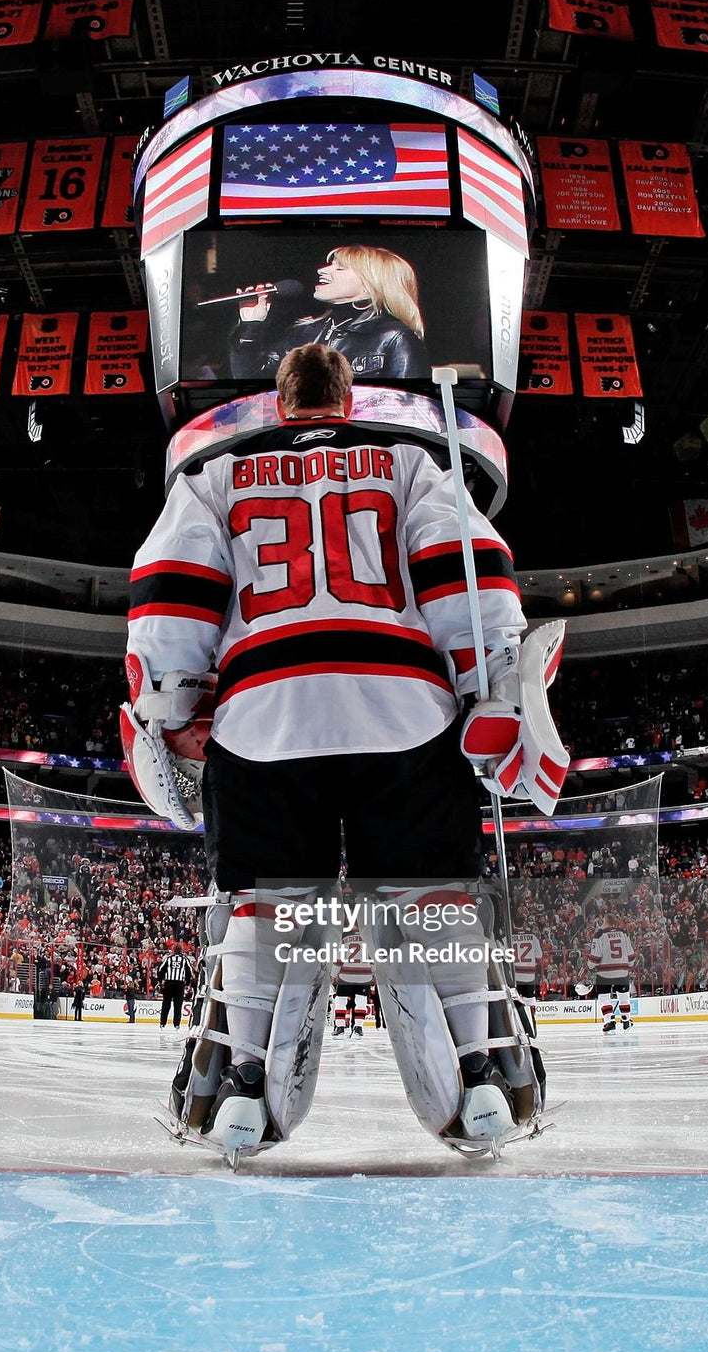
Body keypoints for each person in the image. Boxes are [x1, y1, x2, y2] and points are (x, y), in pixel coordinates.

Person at [123, 343, 545, 1165]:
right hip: (404, 707)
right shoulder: (408, 462)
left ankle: (243, 1082)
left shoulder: (217, 476)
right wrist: (488, 682)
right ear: (349, 398)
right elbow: (468, 568)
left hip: (264, 713)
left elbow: (172, 583)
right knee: (432, 892)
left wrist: (173, 703)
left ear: (281, 404)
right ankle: (482, 1069)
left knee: (266, 901)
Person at [229, 245, 431, 380]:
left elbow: (407, 406)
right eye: (329, 265)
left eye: (340, 268)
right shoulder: (302, 332)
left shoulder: (393, 337)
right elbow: (253, 382)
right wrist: (251, 325)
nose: (322, 270)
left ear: (371, 284)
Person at [156, 946, 194, 1031]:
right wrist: (188, 983)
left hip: (169, 983)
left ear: (174, 951)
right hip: (179, 984)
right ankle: (176, 1024)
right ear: (181, 951)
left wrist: (160, 980)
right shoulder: (184, 959)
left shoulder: (168, 958)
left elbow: (161, 969)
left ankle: (162, 1023)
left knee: (166, 1004)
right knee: (178, 1005)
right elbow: (189, 971)